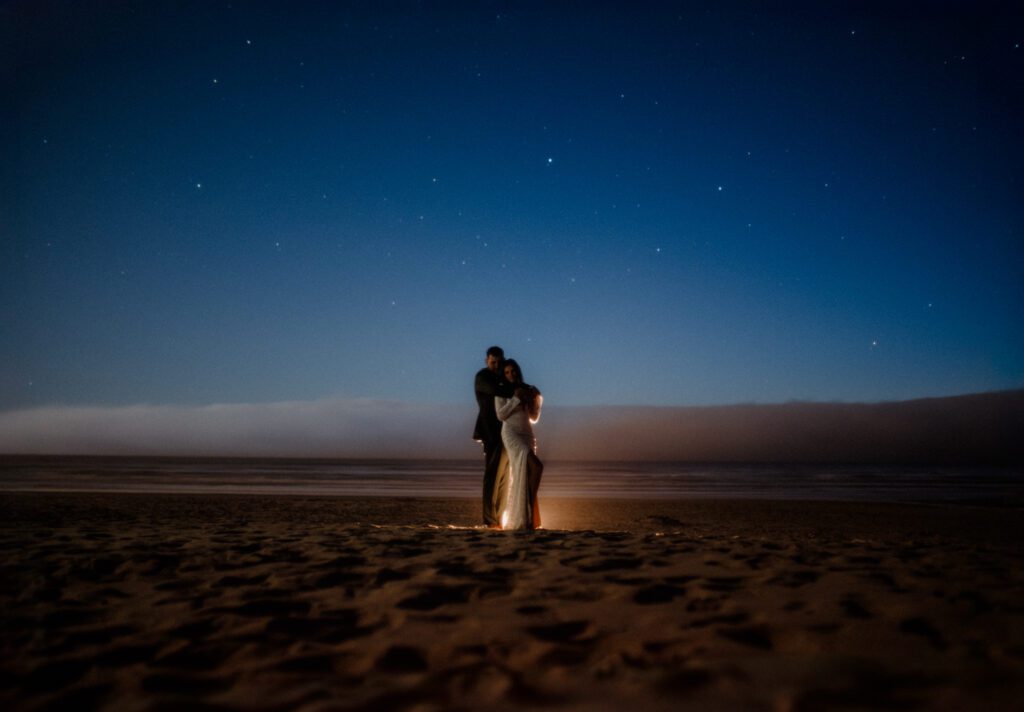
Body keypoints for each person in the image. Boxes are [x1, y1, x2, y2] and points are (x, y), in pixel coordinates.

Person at [494, 358, 544, 530]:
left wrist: (536, 399)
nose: (510, 374)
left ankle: (528, 514)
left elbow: (533, 417)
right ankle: (528, 506)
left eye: (513, 371)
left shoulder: (526, 388)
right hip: (511, 433)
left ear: (518, 371)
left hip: (527, 434)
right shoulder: (500, 391)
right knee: (536, 467)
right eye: (507, 372)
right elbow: (501, 415)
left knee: (528, 472)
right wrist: (515, 398)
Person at [473, 346, 511, 527]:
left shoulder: (503, 377)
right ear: (487, 361)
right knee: (493, 477)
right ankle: (489, 520)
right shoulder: (483, 377)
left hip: (507, 432)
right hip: (490, 432)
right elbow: (499, 390)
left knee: (504, 478)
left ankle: (499, 518)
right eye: (492, 362)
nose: (496, 365)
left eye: (498, 362)